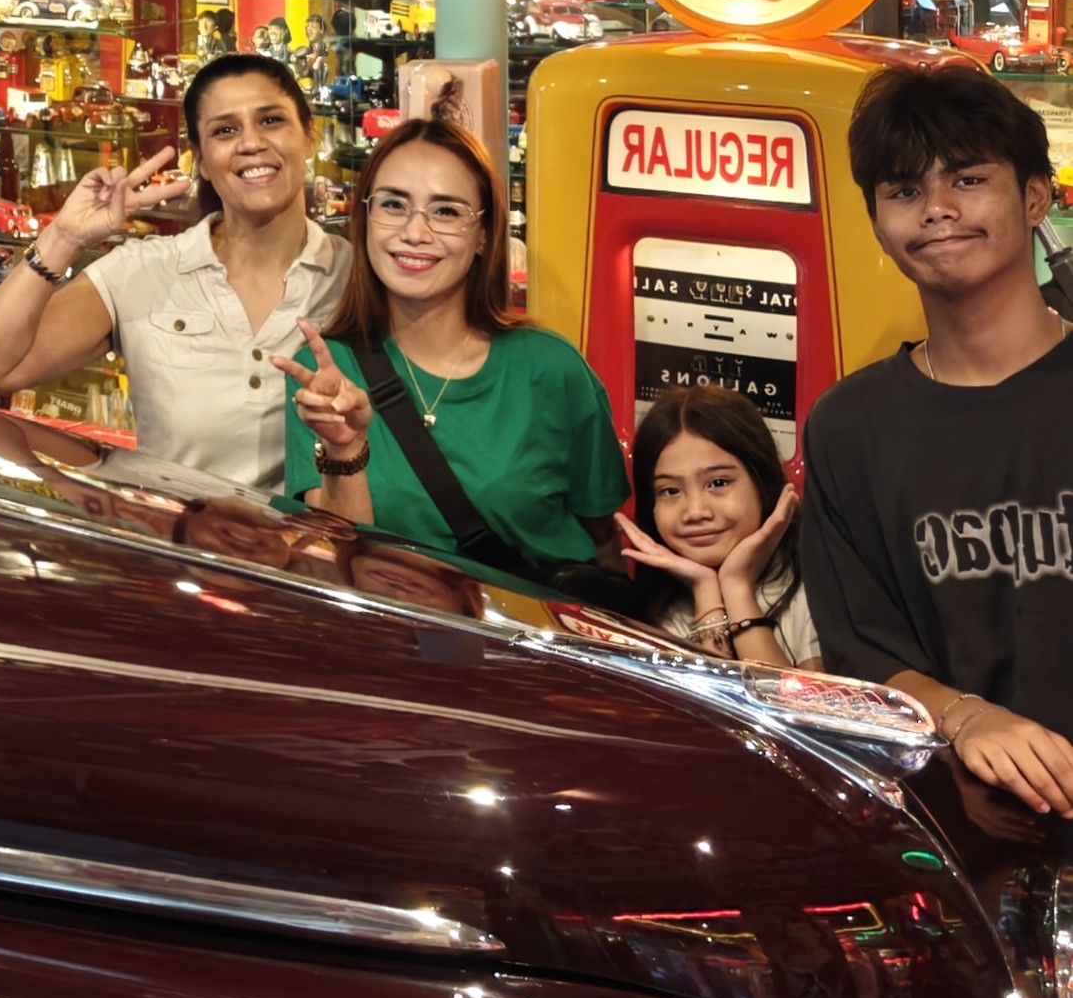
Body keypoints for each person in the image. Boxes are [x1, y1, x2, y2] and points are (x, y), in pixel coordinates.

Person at [802, 63, 1073, 817]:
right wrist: (966, 715)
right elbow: (862, 650)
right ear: (876, 224)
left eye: (967, 179)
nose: (937, 210)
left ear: (1034, 197)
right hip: (963, 827)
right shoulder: (848, 427)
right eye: (903, 191)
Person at [0, 52, 349, 494]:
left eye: (271, 120)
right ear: (201, 161)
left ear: (308, 136)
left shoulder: (357, 278)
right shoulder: (143, 271)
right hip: (174, 533)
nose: (251, 142)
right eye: (225, 130)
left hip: (315, 536)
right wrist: (63, 237)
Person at [278, 116, 630, 579]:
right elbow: (340, 561)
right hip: (397, 621)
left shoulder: (551, 368)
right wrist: (346, 451)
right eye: (393, 205)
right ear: (365, 220)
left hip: (530, 623)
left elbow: (605, 543)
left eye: (445, 211)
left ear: (483, 235)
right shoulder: (326, 374)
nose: (415, 232)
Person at [618, 384, 815, 668]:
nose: (695, 512)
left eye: (718, 483)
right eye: (670, 490)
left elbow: (779, 698)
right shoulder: (653, 607)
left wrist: (737, 587)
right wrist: (706, 591)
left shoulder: (813, 590)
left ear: (763, 482)